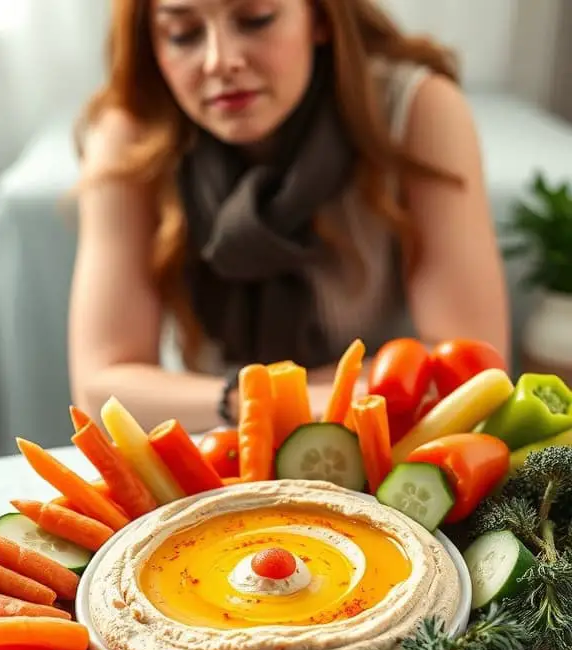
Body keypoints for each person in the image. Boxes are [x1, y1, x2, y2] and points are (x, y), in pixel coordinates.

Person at [68, 0, 509, 432]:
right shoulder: (130, 136)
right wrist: (266, 402)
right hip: (219, 448)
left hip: (381, 441)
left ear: (320, 16)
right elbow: (100, 389)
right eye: (183, 34)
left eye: (256, 19)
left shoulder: (417, 109)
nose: (221, 61)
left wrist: (237, 401)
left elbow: (474, 368)